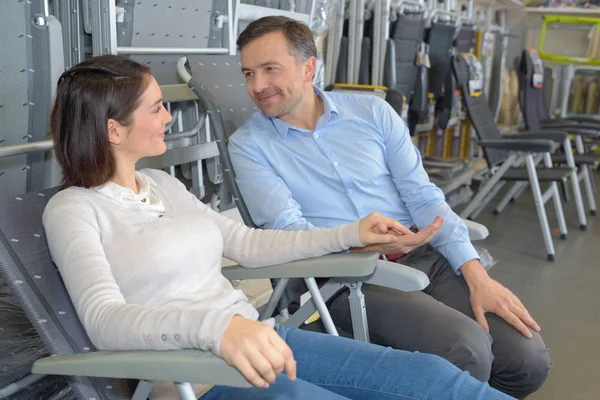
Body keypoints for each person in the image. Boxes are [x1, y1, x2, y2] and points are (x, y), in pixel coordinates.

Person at [42, 55, 514, 400]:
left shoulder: (163, 184)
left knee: (436, 379)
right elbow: (105, 320)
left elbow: (247, 244)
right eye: (156, 108)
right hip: (196, 375)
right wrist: (217, 329)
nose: (168, 117)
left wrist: (353, 232)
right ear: (112, 130)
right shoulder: (74, 210)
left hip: (261, 339)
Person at [228, 16, 551, 400]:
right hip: (348, 276)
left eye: (270, 69)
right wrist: (353, 243)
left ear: (308, 67)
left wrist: (478, 277)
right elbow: (286, 231)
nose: (257, 86)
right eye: (249, 73)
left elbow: (423, 196)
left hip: (424, 255)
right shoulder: (249, 145)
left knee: (526, 358)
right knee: (465, 351)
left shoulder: (373, 113)